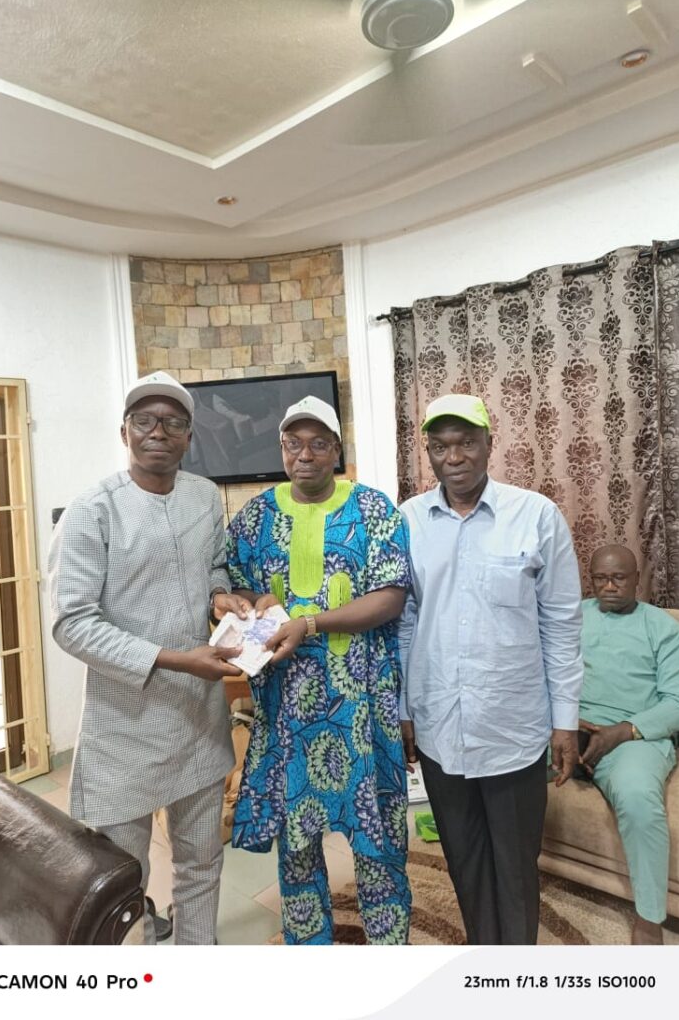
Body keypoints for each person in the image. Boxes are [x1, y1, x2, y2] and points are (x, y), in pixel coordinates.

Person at [49, 370, 250, 945]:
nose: (158, 431)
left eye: (173, 422)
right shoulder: (93, 510)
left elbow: (213, 567)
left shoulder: (203, 496)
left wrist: (219, 597)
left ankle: (196, 959)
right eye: (145, 420)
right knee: (118, 881)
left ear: (189, 436)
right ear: (125, 432)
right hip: (124, 730)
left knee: (201, 864)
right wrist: (177, 660)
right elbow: (72, 623)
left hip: (197, 721)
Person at [226, 395, 412, 944]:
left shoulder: (374, 510)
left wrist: (309, 624)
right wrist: (254, 600)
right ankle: (311, 953)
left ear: (337, 450)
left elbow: (391, 597)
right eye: (293, 444)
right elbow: (234, 585)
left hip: (361, 709)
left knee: (378, 839)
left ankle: (390, 951)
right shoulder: (256, 516)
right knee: (297, 845)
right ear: (281, 448)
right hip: (287, 709)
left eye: (318, 444)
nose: (304, 455)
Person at [398, 393, 582, 945]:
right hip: (439, 725)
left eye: (466, 443)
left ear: (488, 444)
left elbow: (562, 624)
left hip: (513, 727)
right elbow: (405, 622)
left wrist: (565, 721)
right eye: (440, 446)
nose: (454, 457)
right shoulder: (408, 520)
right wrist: (404, 709)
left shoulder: (536, 516)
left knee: (517, 865)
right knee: (464, 859)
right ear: (429, 452)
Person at [578, 544, 679, 944]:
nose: (609, 586)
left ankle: (649, 918)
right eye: (600, 578)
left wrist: (620, 732)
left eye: (618, 578)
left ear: (638, 580)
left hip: (634, 737)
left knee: (638, 797)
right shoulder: (572, 616)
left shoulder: (662, 627)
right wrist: (564, 725)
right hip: (569, 731)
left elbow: (677, 702)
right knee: (506, 770)